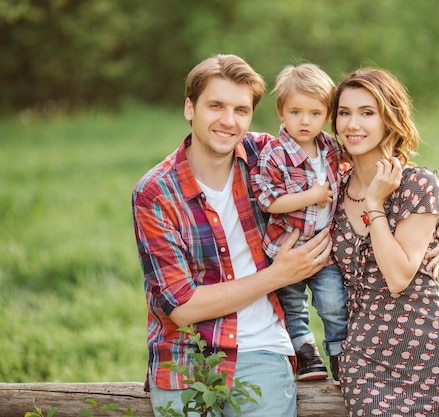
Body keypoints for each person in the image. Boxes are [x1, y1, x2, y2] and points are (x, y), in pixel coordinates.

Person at [131, 54, 333, 417]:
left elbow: (343, 162)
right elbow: (182, 308)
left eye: (241, 109)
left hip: (263, 351)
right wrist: (277, 276)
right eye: (216, 106)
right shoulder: (155, 193)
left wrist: (423, 213)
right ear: (189, 108)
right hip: (184, 359)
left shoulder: (267, 156)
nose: (228, 121)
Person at [329, 68, 439, 416]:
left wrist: (376, 204)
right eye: (344, 113)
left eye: (367, 113)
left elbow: (398, 277)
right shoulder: (331, 188)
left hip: (431, 356)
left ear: (388, 118)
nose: (352, 124)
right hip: (363, 360)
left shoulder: (417, 185)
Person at [250, 63, 347, 384]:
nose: (305, 121)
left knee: (334, 303)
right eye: (295, 112)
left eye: (315, 113)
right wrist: (313, 195)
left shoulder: (330, 148)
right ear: (281, 112)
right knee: (293, 306)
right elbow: (269, 201)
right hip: (285, 249)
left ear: (327, 115)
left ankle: (340, 356)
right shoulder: (273, 155)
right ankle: (307, 358)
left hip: (323, 248)